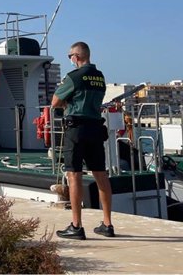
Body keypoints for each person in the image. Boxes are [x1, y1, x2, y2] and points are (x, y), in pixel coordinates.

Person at [51, 41, 114, 240]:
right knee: (101, 175)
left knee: (74, 175)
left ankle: (76, 226)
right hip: (96, 128)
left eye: (70, 56)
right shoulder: (100, 77)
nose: (70, 59)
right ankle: (107, 224)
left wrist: (67, 102)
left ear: (76, 57)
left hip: (76, 129)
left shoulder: (73, 77)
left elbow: (55, 103)